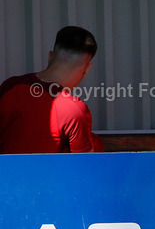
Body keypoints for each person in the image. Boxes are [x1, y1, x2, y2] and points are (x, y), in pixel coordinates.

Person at [0, 25, 103, 154]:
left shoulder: (10, 86)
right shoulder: (74, 110)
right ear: (87, 69)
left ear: (50, 56)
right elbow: (84, 166)